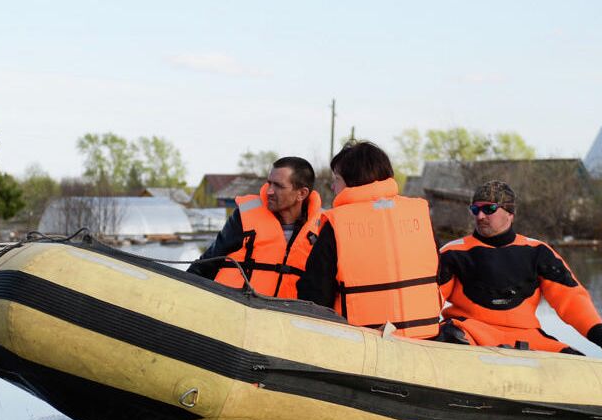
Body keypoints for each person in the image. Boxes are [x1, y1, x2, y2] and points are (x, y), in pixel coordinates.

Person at [437, 180, 602, 361]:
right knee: (446, 335)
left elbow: (573, 301)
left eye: (489, 209)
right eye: (475, 209)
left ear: (510, 213)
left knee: (580, 363)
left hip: (527, 338)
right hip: (469, 332)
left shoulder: (538, 252)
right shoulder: (452, 252)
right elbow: (427, 301)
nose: (480, 216)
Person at [297, 141, 443, 339]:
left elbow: (315, 293)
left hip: (361, 344)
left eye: (336, 179)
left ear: (353, 180)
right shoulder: (420, 214)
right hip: (425, 340)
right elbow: (439, 274)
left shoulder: (338, 222)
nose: (333, 186)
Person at [188, 156, 323, 299]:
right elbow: (204, 266)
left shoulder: (321, 229)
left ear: (301, 194)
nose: (269, 191)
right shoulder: (245, 216)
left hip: (286, 317)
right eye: (269, 183)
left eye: (278, 186)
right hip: (234, 312)